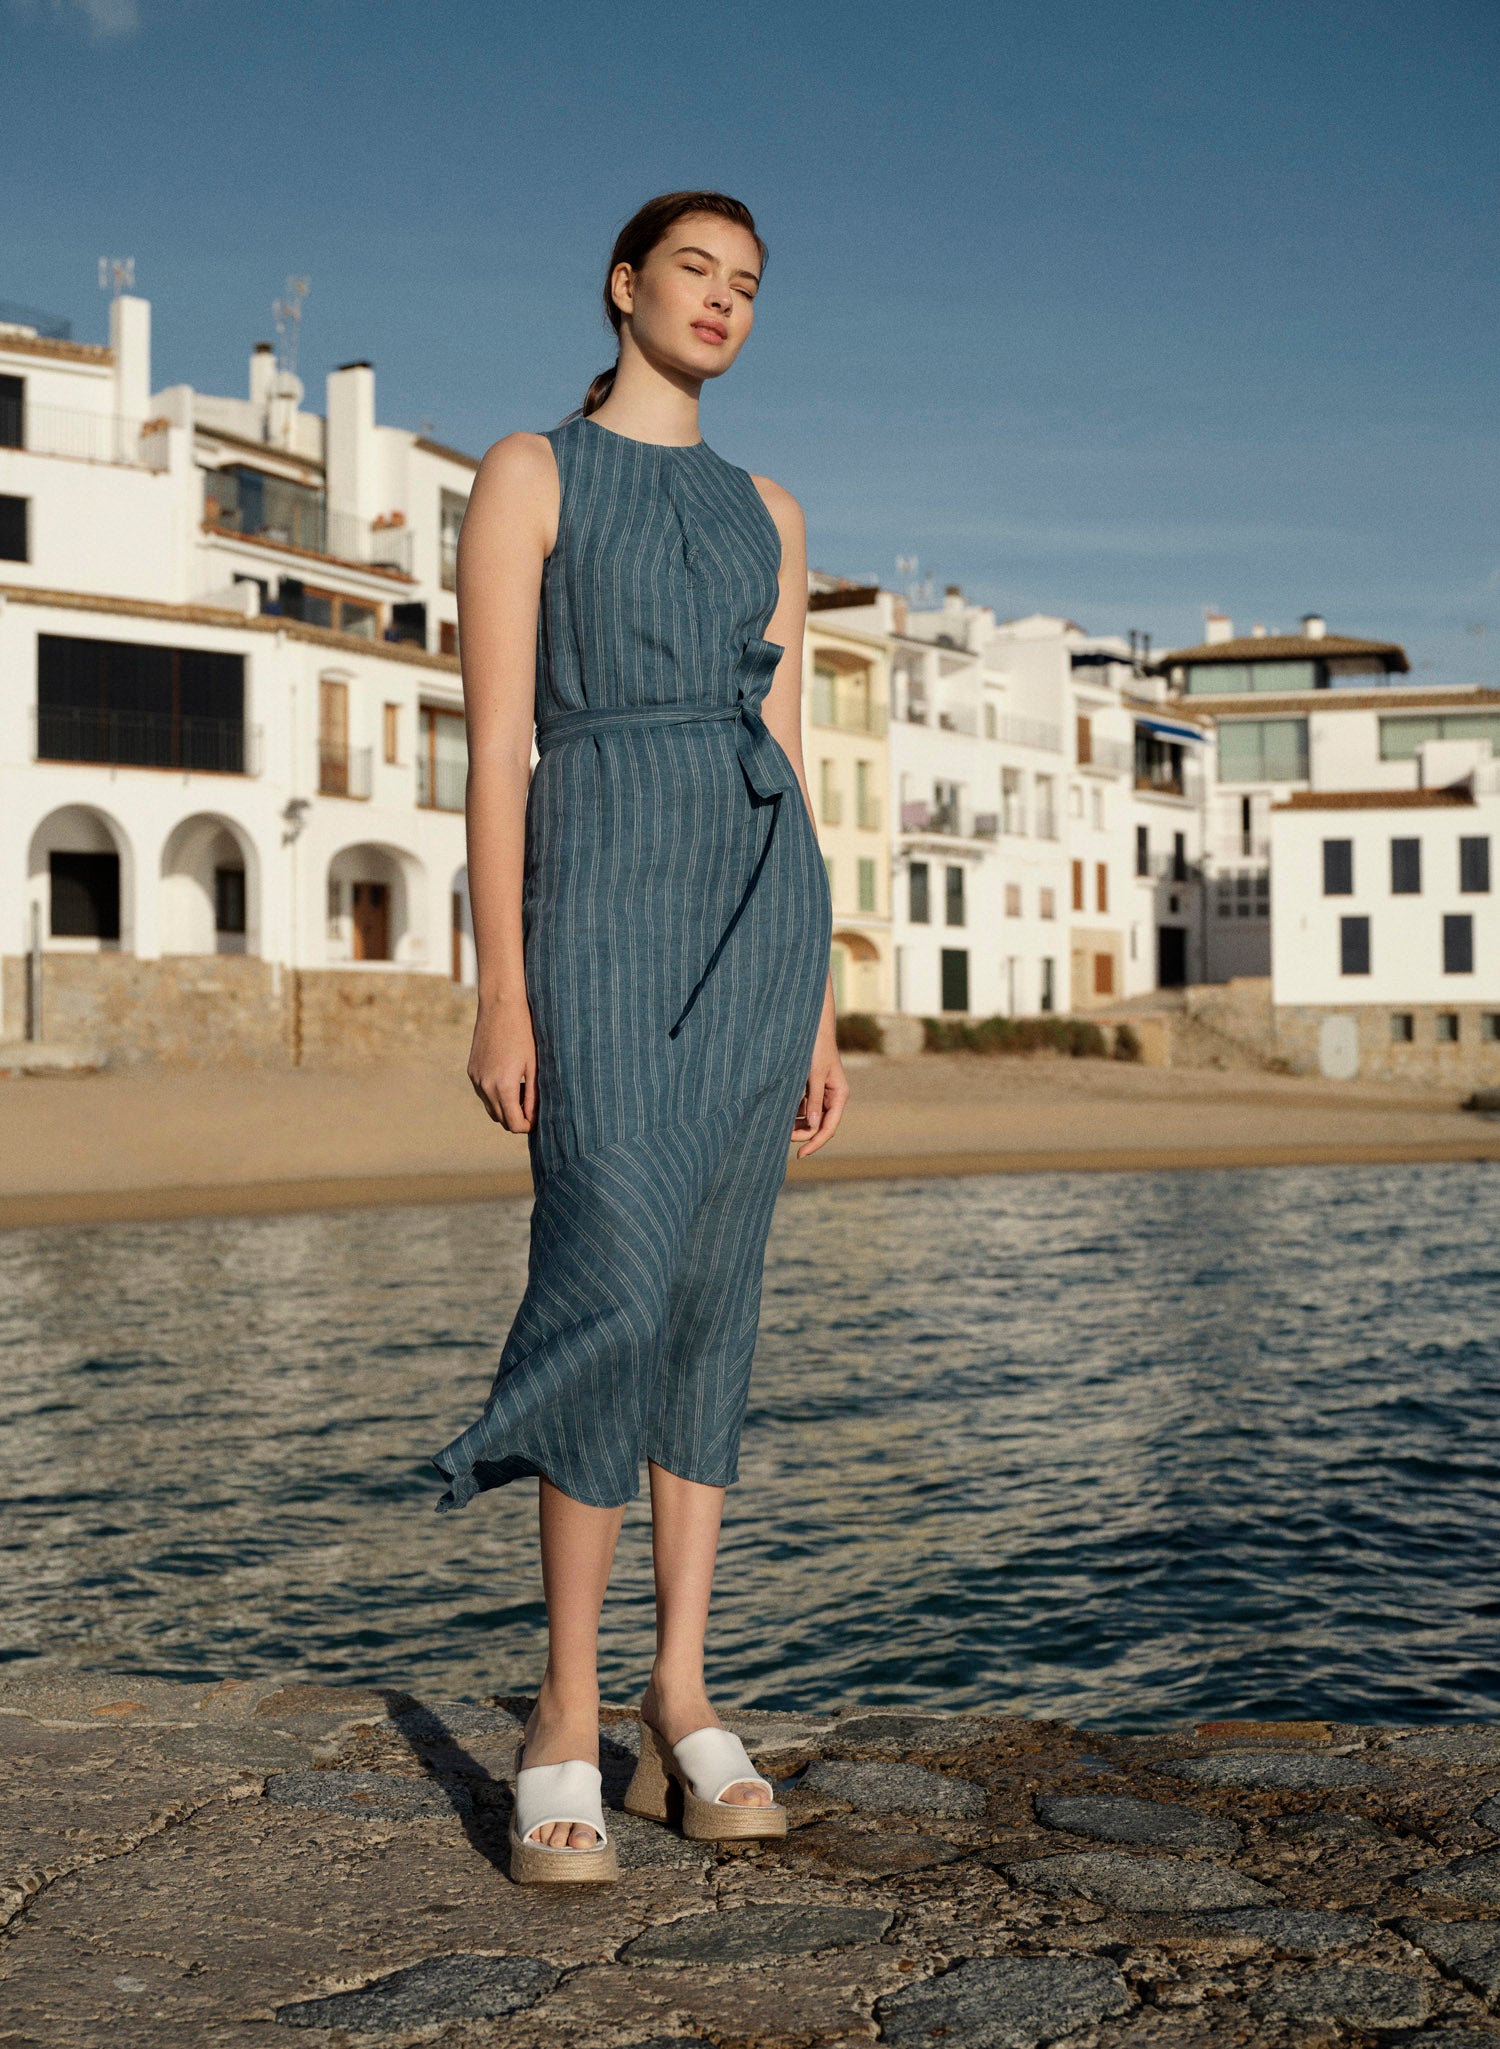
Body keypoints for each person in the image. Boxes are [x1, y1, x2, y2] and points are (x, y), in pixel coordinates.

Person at [430, 191, 846, 1884]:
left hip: (760, 916)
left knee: (707, 1296)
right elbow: (500, 743)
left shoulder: (772, 512)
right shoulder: (531, 472)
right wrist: (500, 984)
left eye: (749, 285)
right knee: (604, 1277)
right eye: (697, 270)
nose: (724, 301)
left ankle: (680, 1695)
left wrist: (821, 1005)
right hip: (596, 888)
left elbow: (794, 756)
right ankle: (561, 1705)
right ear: (623, 285)